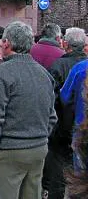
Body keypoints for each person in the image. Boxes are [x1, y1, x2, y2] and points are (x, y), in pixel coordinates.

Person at [0, 21, 57, 199]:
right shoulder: (44, 74)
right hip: (38, 148)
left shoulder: (1, 73)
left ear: (7, 43)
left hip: (8, 150)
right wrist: (40, 137)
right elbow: (52, 117)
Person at [43, 28, 87, 199]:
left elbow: (63, 97)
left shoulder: (80, 69)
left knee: (78, 177)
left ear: (65, 43)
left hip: (79, 128)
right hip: (76, 128)